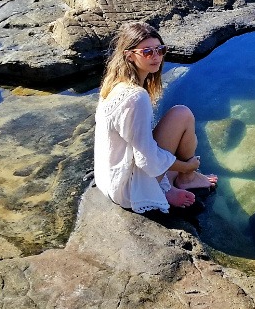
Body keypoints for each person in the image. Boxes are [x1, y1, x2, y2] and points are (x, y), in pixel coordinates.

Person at [93, 21, 217, 214]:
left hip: (107, 179)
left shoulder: (113, 83)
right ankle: (185, 178)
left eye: (160, 50)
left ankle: (180, 179)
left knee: (177, 117)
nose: (156, 57)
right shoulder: (136, 97)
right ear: (129, 55)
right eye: (147, 52)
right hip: (127, 190)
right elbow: (146, 160)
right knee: (182, 115)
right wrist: (186, 166)